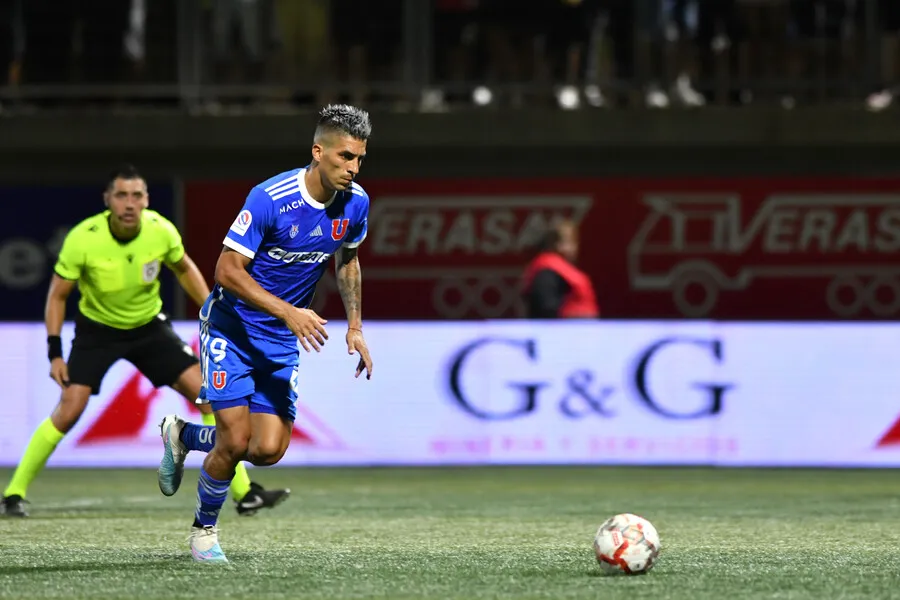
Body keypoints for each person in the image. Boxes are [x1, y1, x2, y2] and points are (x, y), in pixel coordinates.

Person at [0, 165, 289, 518]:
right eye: (121, 195)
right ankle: (13, 493)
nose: (129, 203)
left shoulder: (160, 230)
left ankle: (246, 494)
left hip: (149, 328)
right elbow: (58, 296)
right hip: (97, 332)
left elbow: (184, 268)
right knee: (70, 409)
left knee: (210, 399)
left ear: (146, 200)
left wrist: (215, 312)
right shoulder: (82, 238)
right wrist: (55, 352)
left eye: (137, 195)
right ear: (108, 200)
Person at [157, 104, 374, 564]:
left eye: (359, 160)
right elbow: (226, 270)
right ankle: (204, 533)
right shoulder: (271, 197)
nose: (353, 169)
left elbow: (348, 259)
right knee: (234, 440)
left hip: (278, 339)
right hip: (231, 328)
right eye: (345, 157)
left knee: (268, 449)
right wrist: (291, 312)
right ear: (319, 151)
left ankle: (182, 436)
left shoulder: (356, 203)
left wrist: (354, 327)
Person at [521, 219, 600, 319]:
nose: (575, 247)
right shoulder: (547, 272)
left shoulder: (561, 270)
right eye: (570, 241)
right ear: (556, 244)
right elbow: (547, 308)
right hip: (559, 331)